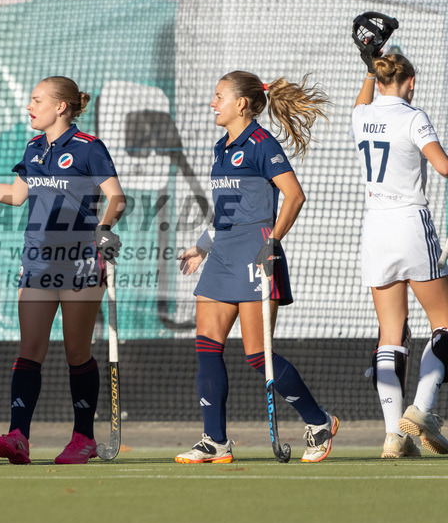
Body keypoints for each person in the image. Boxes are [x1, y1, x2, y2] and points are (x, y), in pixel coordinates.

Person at [0, 76, 126, 465]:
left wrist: (105, 229)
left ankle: (83, 438)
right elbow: (15, 195)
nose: (29, 106)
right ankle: (18, 435)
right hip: (38, 262)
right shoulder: (34, 148)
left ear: (61, 107)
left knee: (77, 352)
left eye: (37, 100)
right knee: (30, 349)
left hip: (80, 263)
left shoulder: (89, 148)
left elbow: (117, 198)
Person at [175, 70, 336, 464]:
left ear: (241, 104)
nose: (213, 103)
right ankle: (215, 441)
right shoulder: (220, 147)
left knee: (257, 355)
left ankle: (319, 422)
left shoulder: (263, 144)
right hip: (222, 255)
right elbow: (227, 213)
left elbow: (294, 196)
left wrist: (271, 243)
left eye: (219, 96)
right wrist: (201, 247)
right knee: (206, 347)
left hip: (255, 256)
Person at [352, 51, 448, 457]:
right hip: (410, 223)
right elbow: (442, 166)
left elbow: (362, 100)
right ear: (408, 80)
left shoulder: (361, 115)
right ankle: (422, 409)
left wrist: (368, 61)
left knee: (391, 334)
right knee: (444, 322)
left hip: (375, 229)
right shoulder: (414, 116)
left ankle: (395, 435)